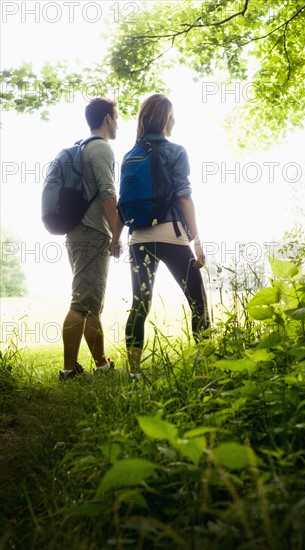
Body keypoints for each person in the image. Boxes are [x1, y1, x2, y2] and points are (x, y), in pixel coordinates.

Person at [110, 93, 210, 380]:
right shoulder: (176, 151)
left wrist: (115, 239)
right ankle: (204, 365)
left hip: (139, 239)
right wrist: (197, 239)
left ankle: (133, 371)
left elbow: (122, 203)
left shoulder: (131, 155)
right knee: (197, 301)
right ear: (168, 118)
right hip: (173, 237)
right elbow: (185, 197)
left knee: (139, 303)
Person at [59, 97, 120, 380]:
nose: (117, 121)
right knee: (81, 302)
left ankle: (101, 364)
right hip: (92, 232)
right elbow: (108, 194)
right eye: (116, 116)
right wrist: (117, 233)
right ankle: (68, 370)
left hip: (78, 231)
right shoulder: (101, 149)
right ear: (108, 118)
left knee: (91, 301)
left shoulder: (82, 147)